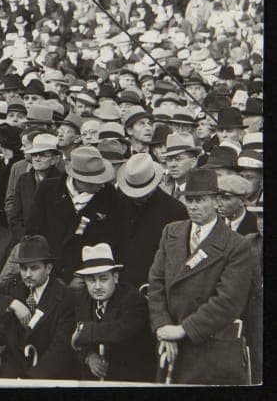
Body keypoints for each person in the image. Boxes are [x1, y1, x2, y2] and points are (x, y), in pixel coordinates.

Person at [146, 168, 253, 385]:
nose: (193, 206)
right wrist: (163, 327)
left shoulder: (236, 245)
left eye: (200, 200)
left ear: (216, 201)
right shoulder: (171, 232)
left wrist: (182, 330)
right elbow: (156, 283)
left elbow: (228, 301)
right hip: (170, 345)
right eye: (189, 199)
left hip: (210, 348)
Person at [0, 235, 77, 379]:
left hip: (45, 373)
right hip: (12, 368)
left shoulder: (64, 297)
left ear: (48, 268)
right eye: (23, 268)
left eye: (34, 268)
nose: (27, 275)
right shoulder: (14, 283)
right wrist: (12, 303)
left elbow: (60, 349)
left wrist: (30, 380)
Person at [25, 146, 120, 281]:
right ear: (79, 179)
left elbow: (111, 237)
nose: (102, 185)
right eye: (95, 182)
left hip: (88, 274)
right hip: (51, 271)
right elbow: (33, 232)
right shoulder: (47, 190)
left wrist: (85, 273)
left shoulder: (108, 194)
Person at [68, 243, 154, 382]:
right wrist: (89, 355)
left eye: (103, 279)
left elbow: (121, 331)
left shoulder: (133, 299)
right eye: (91, 280)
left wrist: (84, 329)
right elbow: (75, 337)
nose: (97, 287)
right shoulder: (83, 299)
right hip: (95, 381)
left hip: (131, 378)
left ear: (115, 277)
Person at [110, 153, 187, 291]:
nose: (138, 198)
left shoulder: (174, 210)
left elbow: (175, 257)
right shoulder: (118, 202)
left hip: (151, 287)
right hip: (118, 285)